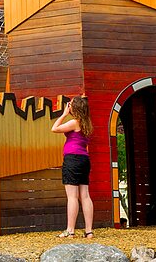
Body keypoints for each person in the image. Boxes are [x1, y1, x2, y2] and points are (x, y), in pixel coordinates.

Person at [52, 95, 94, 239]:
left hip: (72, 159)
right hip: (84, 159)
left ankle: (70, 230)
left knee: (72, 196)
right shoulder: (87, 123)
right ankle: (89, 231)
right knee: (85, 195)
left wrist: (63, 114)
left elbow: (54, 128)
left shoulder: (74, 122)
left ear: (74, 108)